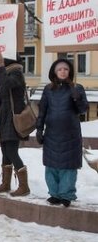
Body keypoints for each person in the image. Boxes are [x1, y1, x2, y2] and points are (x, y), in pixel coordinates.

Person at [36, 58, 88, 207]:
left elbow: (83, 109)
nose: (63, 71)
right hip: (52, 133)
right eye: (60, 69)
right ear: (54, 72)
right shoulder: (48, 89)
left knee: (68, 166)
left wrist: (77, 99)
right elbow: (42, 110)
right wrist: (39, 128)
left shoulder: (77, 87)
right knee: (51, 165)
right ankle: (54, 194)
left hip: (70, 134)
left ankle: (66, 195)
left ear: (70, 71)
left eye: (65, 69)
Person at [0, 51, 30, 197]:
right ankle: (6, 183)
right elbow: (2, 97)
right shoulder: (6, 74)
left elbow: (7, 84)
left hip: (13, 119)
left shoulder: (16, 74)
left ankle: (24, 186)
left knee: (12, 151)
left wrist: (0, 66)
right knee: (5, 152)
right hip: (5, 118)